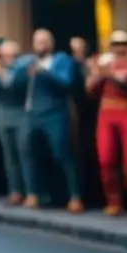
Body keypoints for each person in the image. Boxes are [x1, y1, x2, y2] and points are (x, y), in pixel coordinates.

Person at [20, 28, 81, 210]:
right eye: (38, 41)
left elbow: (66, 82)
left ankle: (75, 196)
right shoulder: (28, 62)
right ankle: (33, 194)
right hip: (30, 114)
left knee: (62, 153)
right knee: (29, 153)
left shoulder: (61, 60)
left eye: (45, 41)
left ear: (51, 44)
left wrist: (44, 72)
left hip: (54, 113)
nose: (41, 44)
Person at [0, 40, 31, 205]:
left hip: (21, 113)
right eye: (4, 54)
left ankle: (31, 192)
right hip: (3, 113)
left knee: (25, 153)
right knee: (9, 156)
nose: (7, 58)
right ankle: (15, 191)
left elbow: (12, 84)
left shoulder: (23, 67)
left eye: (11, 54)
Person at [87, 30, 127, 216]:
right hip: (106, 113)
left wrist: (112, 73)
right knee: (106, 158)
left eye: (123, 44)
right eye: (116, 44)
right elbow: (90, 89)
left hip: (126, 111)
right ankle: (114, 201)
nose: (119, 47)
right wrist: (99, 74)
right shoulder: (103, 62)